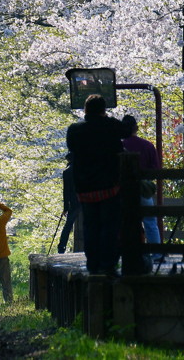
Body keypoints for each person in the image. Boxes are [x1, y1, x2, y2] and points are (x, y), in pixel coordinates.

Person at [66, 94, 125, 276]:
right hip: (109, 186)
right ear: (103, 110)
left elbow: (71, 148)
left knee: (90, 227)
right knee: (110, 226)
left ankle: (93, 264)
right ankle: (108, 264)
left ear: (85, 110)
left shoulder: (74, 130)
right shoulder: (111, 126)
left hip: (85, 188)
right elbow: (124, 130)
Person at [121, 115, 162, 251]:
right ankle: (156, 253)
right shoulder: (147, 145)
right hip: (143, 189)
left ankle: (128, 253)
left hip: (124, 191)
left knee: (126, 222)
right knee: (150, 222)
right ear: (136, 128)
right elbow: (156, 169)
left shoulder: (119, 146)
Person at [57, 154, 84, 253]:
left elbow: (66, 191)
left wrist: (65, 208)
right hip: (85, 200)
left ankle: (61, 247)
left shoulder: (66, 172)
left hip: (73, 202)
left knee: (68, 225)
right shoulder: (82, 169)